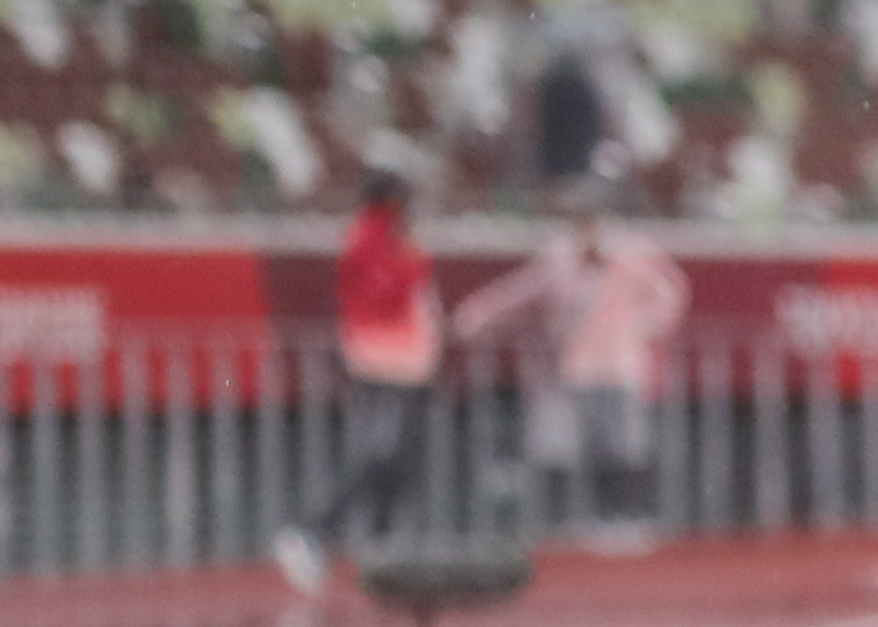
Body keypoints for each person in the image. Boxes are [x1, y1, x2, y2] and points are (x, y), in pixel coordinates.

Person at [453, 197, 691, 552]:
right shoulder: (560, 258)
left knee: (623, 446)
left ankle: (629, 518)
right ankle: (600, 520)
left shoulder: (632, 255)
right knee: (591, 447)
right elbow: (520, 291)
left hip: (622, 366)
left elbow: (670, 293)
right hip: (580, 368)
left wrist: (644, 329)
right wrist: (476, 315)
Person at [278, 167, 438, 590]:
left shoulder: (393, 241)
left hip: (407, 364)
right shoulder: (368, 240)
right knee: (378, 455)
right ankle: (311, 533)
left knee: (401, 463)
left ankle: (380, 544)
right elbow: (381, 298)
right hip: (381, 363)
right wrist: (412, 266)